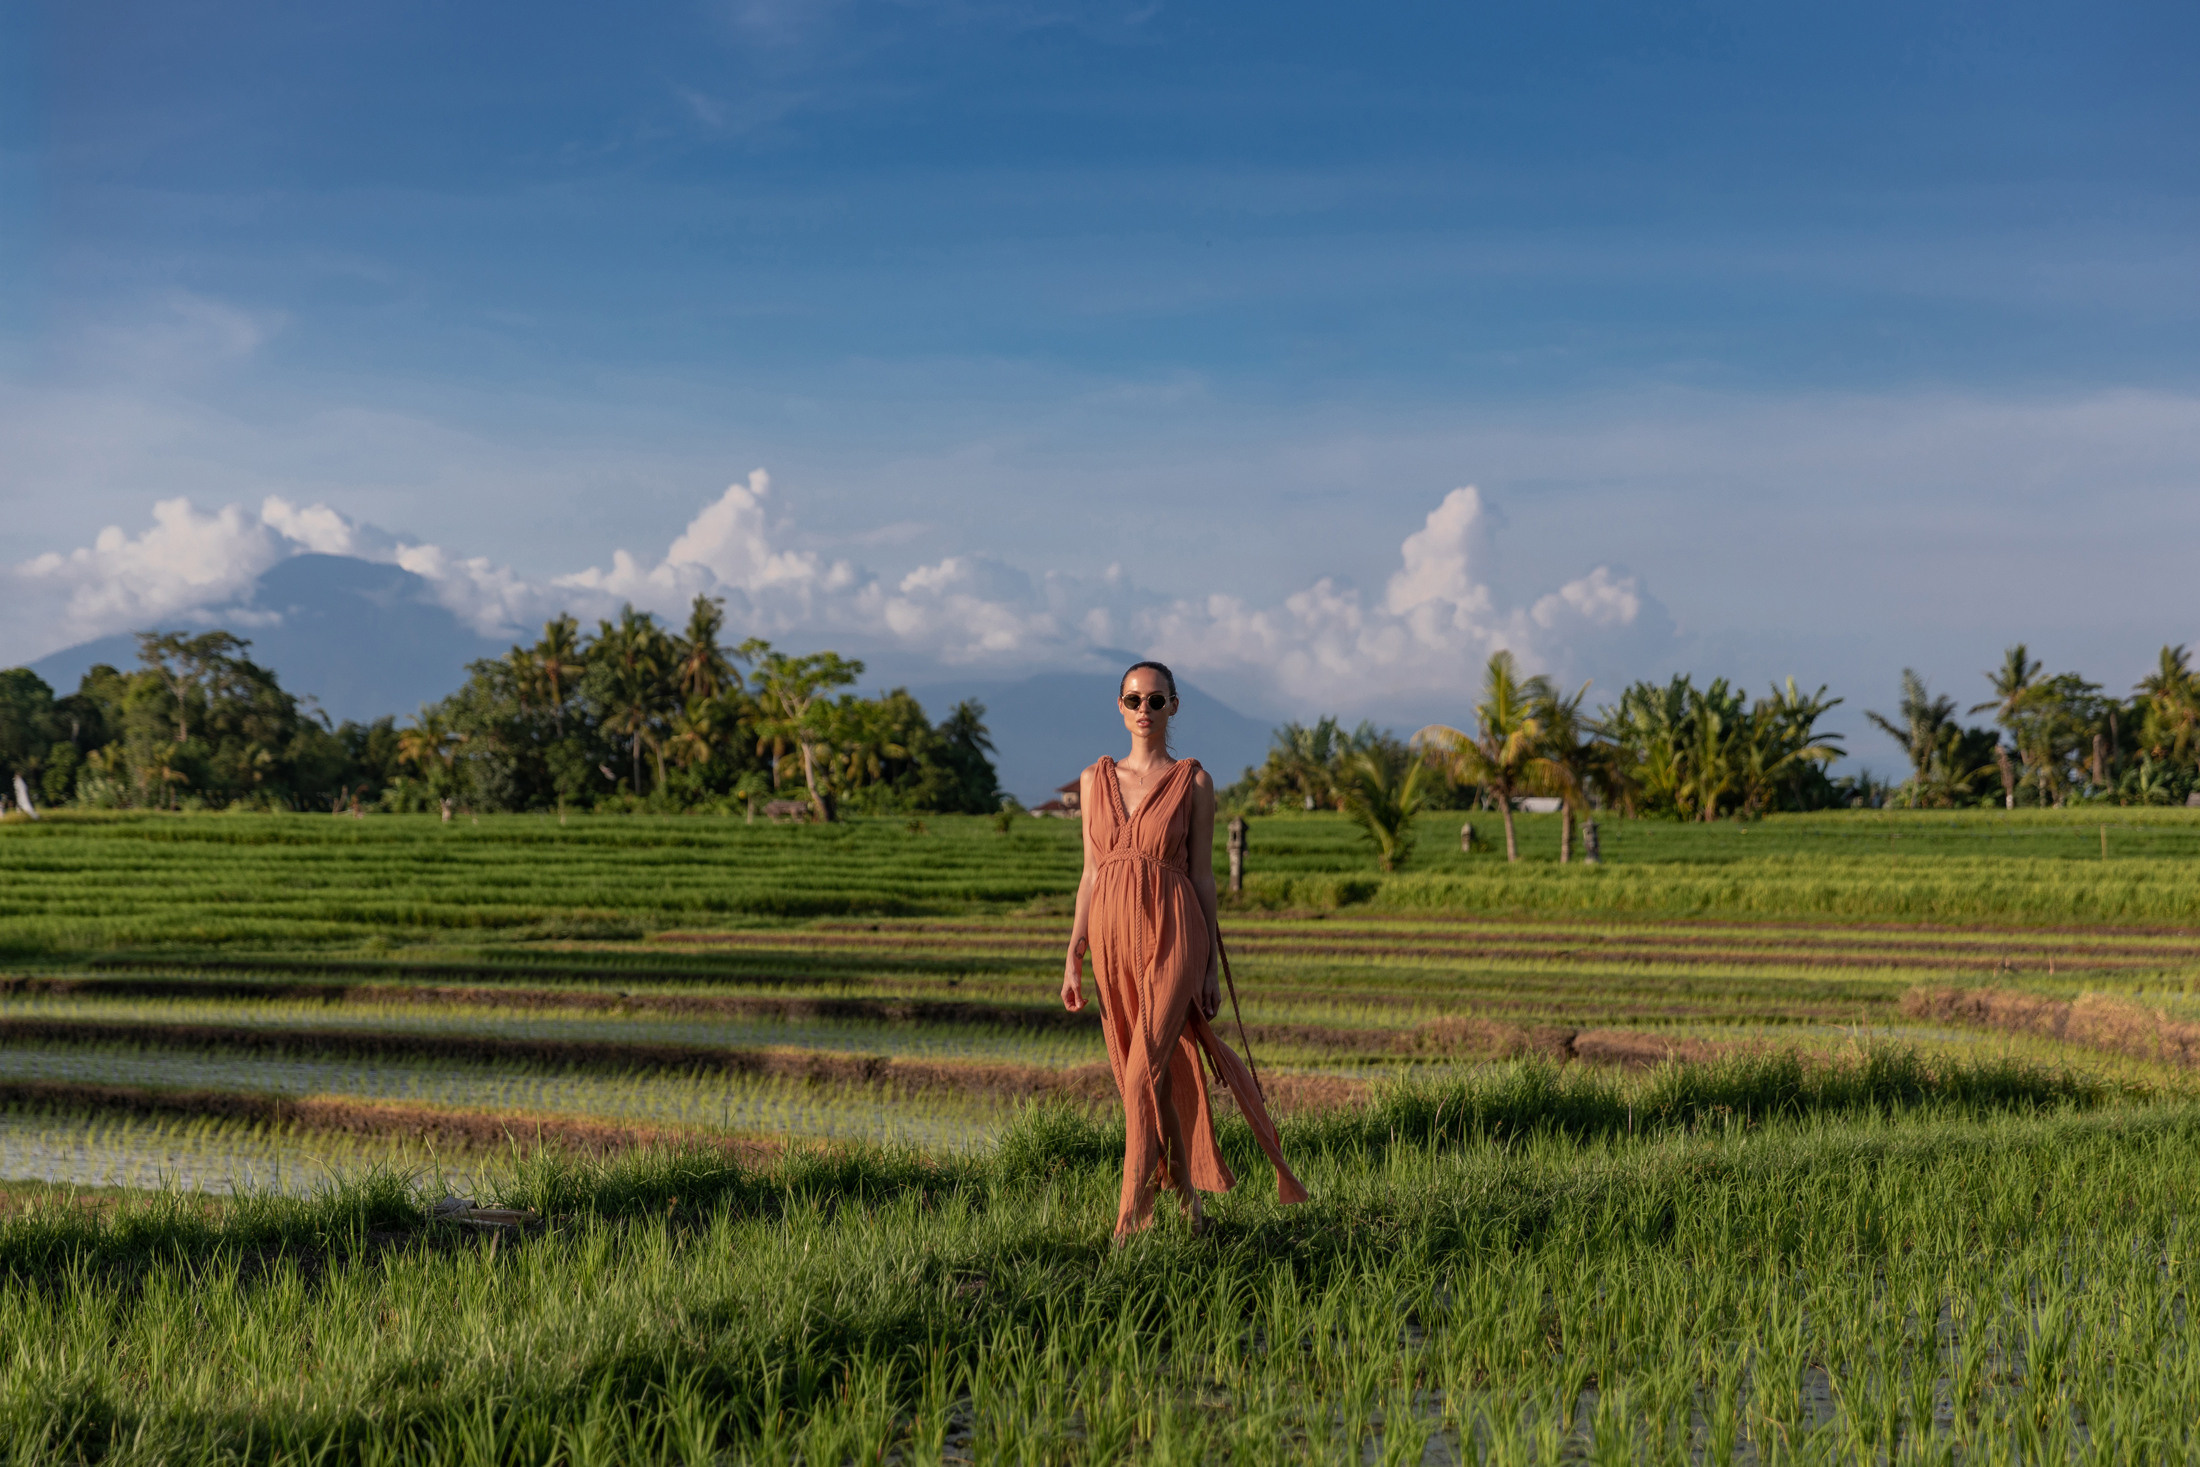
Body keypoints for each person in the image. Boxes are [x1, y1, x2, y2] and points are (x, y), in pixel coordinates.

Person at [1061, 660, 1309, 1240]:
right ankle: (1188, 1197)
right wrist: (1074, 950)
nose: (1143, 711)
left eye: (1154, 700)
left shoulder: (1194, 782)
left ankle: (1131, 1218)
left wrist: (1210, 967)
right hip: (1111, 939)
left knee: (1145, 1063)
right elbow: (1092, 872)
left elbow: (1201, 876)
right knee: (1140, 1074)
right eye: (1132, 700)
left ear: (1174, 706)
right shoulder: (1094, 780)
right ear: (1118, 707)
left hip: (1175, 930)